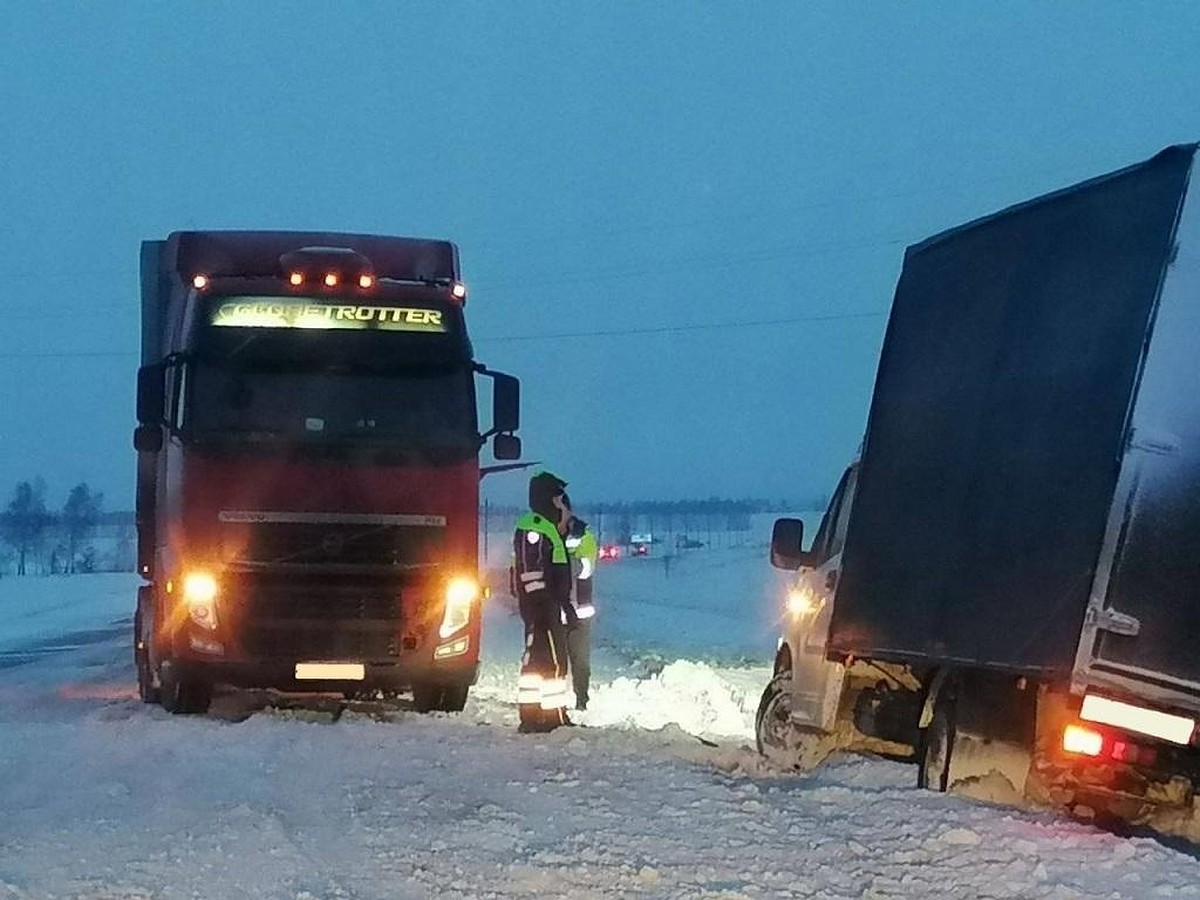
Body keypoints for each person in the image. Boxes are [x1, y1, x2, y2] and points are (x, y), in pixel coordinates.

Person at [511, 471, 575, 732]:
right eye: (560, 499)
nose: (564, 506)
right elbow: (531, 572)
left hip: (547, 604)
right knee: (552, 661)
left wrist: (564, 604)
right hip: (542, 605)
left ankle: (534, 716)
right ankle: (550, 717)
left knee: (540, 661)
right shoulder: (534, 526)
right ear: (549, 499)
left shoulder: (547, 528)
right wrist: (543, 605)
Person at [562, 503, 598, 711]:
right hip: (556, 611)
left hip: (579, 612)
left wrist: (559, 562)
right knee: (556, 661)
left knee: (580, 661)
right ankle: (556, 702)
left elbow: (585, 567)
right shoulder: (547, 532)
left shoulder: (583, 535)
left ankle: (581, 700)